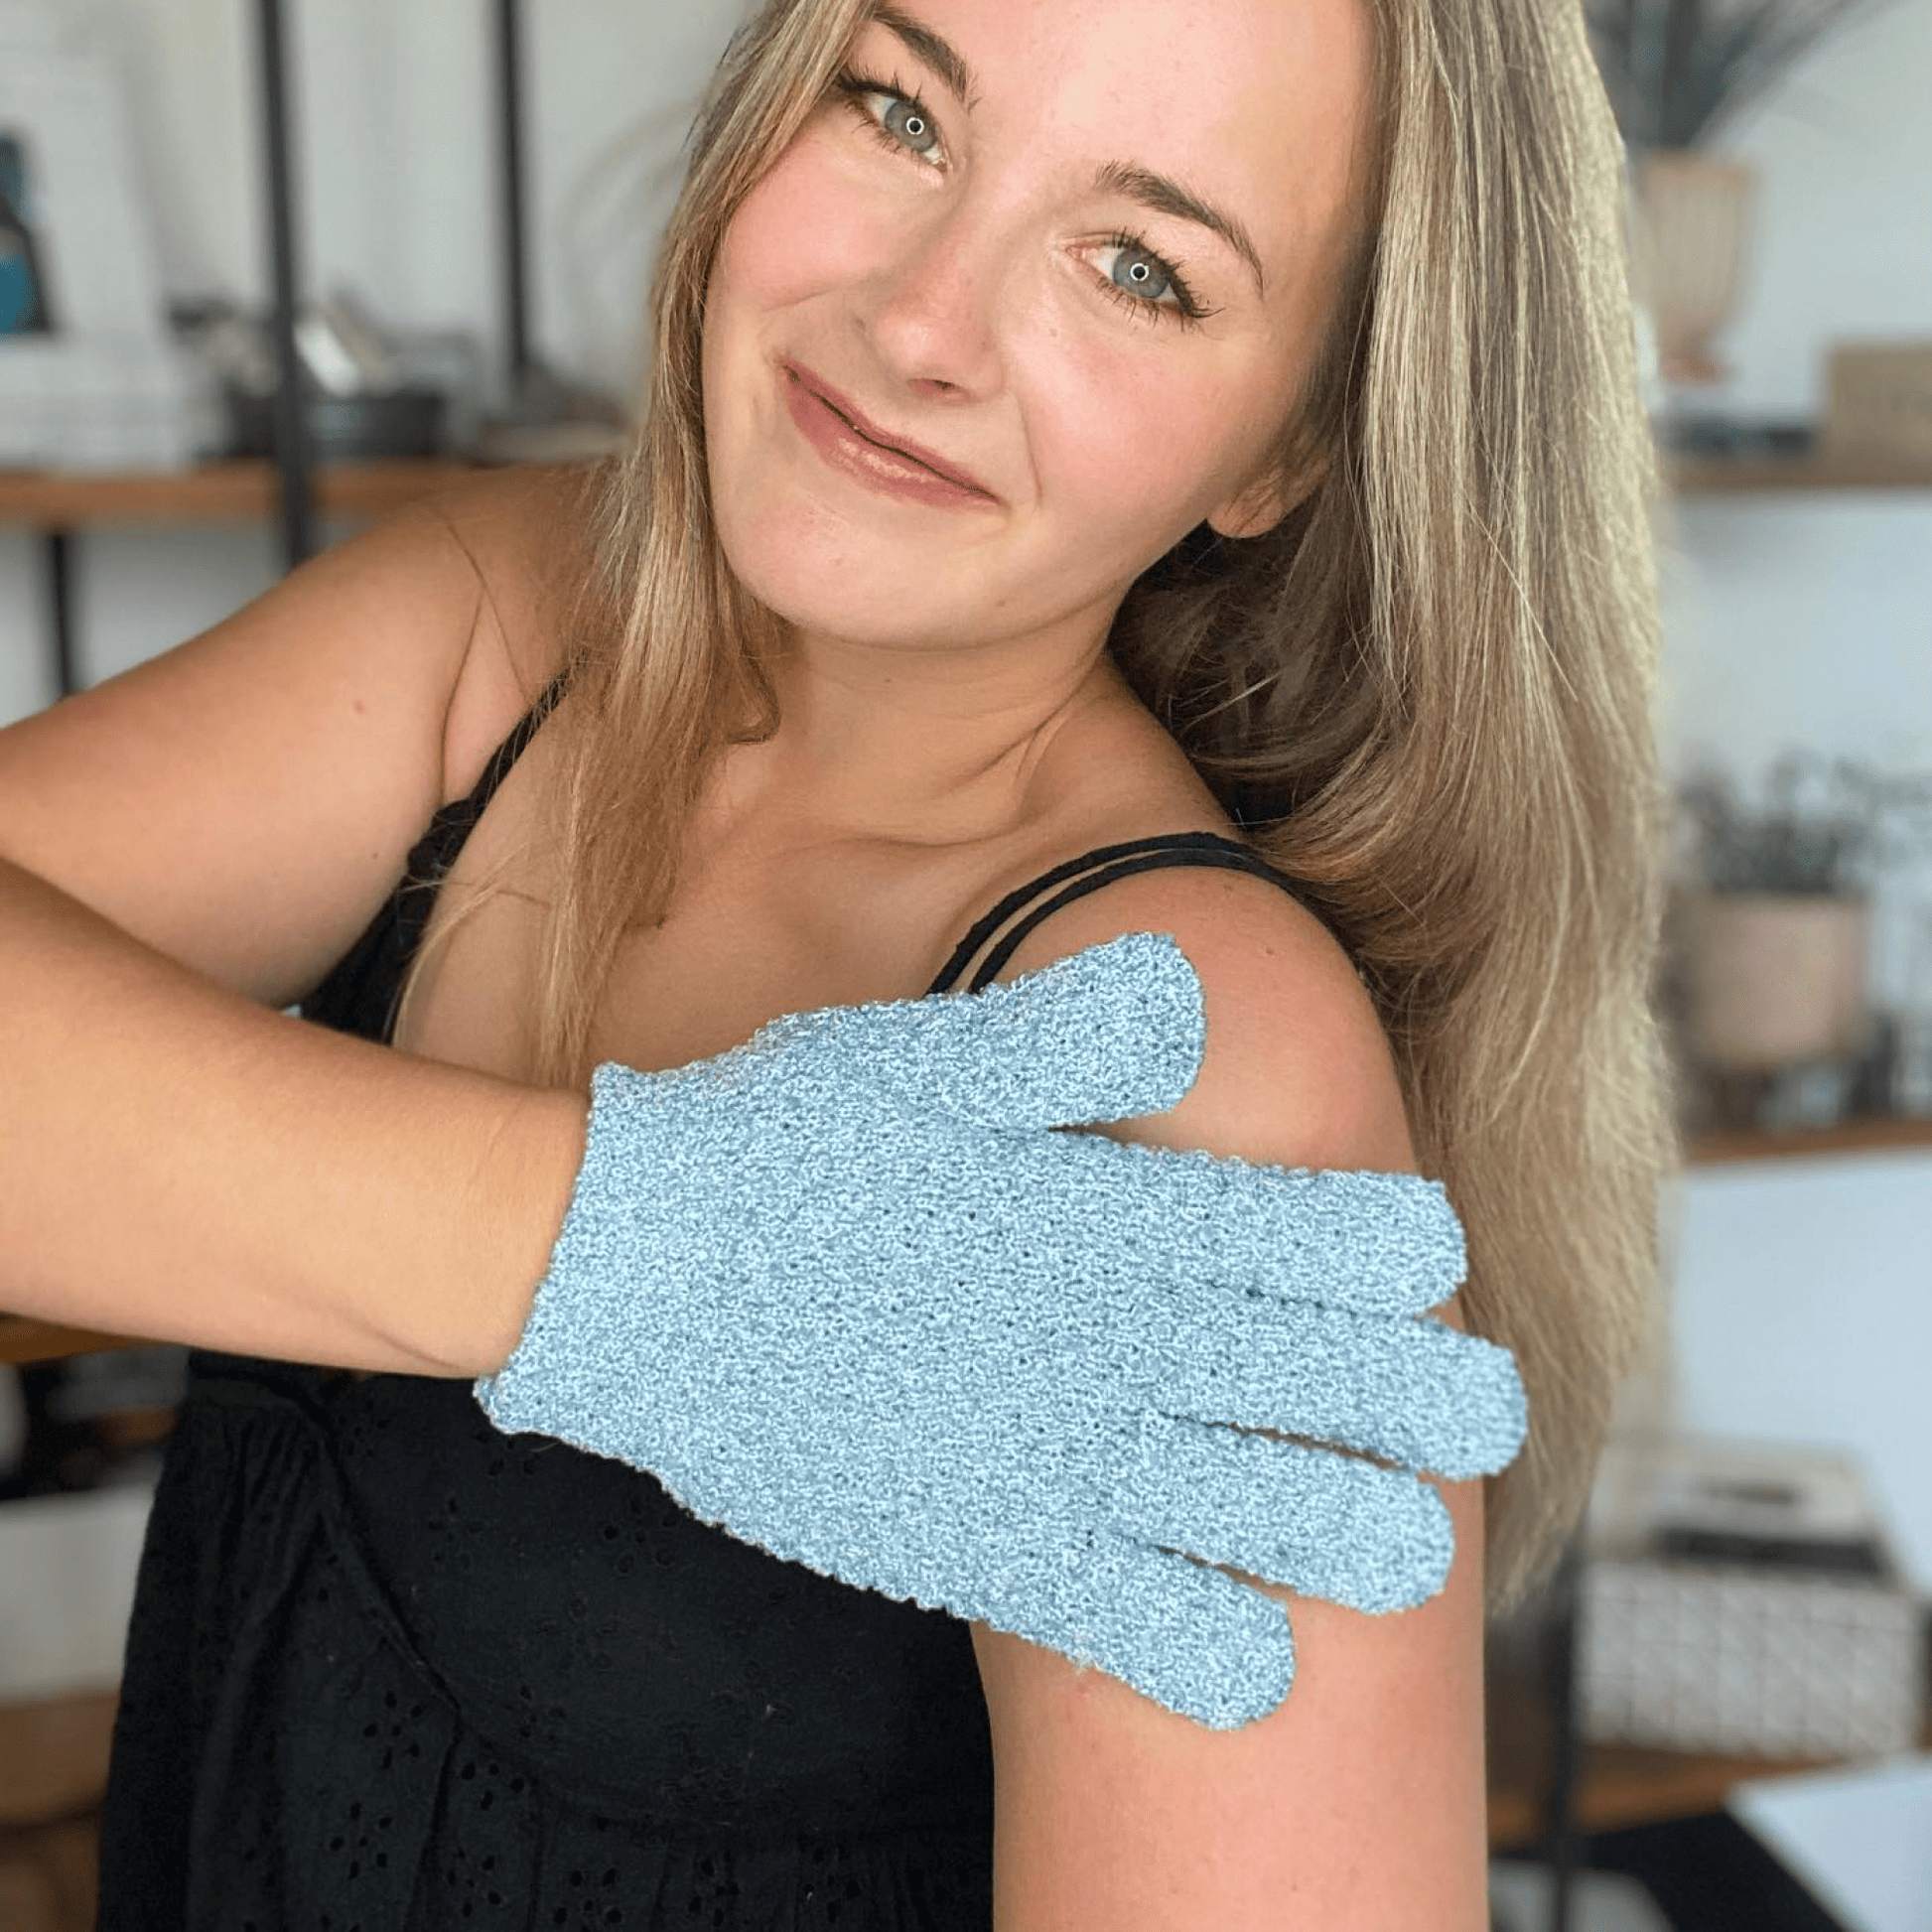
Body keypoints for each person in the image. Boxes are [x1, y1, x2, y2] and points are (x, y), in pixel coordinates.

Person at [0, 0, 1675, 1922]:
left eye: (1141, 267)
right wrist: (628, 1259)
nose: (919, 323)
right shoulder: (509, 630)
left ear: (1287, 444)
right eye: (899, 113)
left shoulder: (1188, 1064)